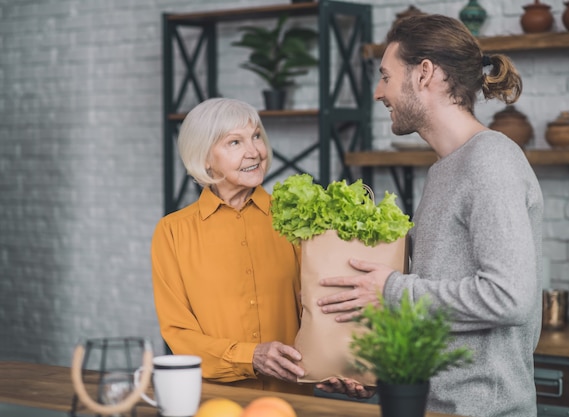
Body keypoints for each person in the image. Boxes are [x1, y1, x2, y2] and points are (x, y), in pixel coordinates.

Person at [316, 13, 544, 417]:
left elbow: (510, 298)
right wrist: (382, 371)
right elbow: (434, 306)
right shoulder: (446, 168)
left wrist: (390, 290)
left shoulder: (490, 160)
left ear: (425, 74)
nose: (377, 92)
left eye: (386, 76)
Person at [151, 97, 313, 395]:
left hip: (292, 399)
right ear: (205, 158)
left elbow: (319, 309)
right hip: (215, 401)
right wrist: (249, 356)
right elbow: (179, 334)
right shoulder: (172, 232)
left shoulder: (295, 218)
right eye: (234, 143)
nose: (255, 151)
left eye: (255, 137)